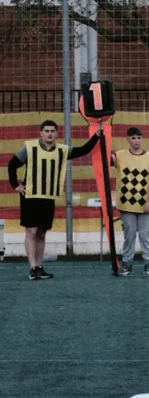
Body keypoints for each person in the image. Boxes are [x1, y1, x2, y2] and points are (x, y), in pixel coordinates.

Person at [8, 118, 102, 280]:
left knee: (42, 233)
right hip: (30, 196)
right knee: (31, 231)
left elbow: (83, 150)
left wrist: (97, 135)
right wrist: (15, 185)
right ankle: (32, 268)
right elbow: (12, 164)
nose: (49, 134)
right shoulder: (29, 147)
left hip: (48, 197)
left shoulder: (62, 150)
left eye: (52, 131)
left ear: (57, 134)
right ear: (41, 133)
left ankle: (39, 266)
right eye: (46, 131)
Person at [112, 126, 149, 277]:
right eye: (133, 138)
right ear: (127, 139)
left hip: (145, 204)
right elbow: (104, 159)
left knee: (145, 235)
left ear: (142, 139)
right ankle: (126, 264)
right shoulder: (119, 156)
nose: (136, 141)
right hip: (127, 205)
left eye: (139, 138)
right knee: (129, 235)